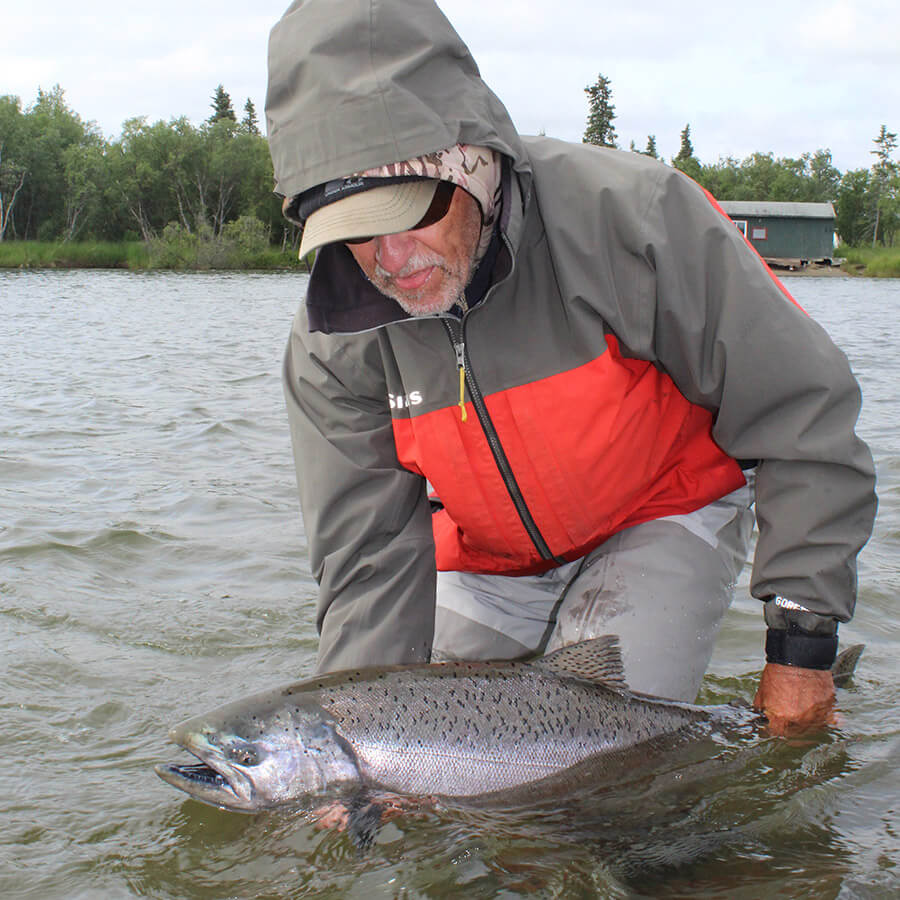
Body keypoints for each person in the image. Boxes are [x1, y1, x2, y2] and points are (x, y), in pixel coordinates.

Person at [265, 0, 876, 734]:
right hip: (489, 560)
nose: (391, 261)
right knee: (424, 772)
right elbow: (367, 561)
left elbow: (803, 413)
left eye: (407, 212)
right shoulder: (334, 338)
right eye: (354, 231)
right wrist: (350, 744)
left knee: (597, 781)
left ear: (472, 162)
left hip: (664, 513)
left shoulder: (634, 216)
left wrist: (800, 651)